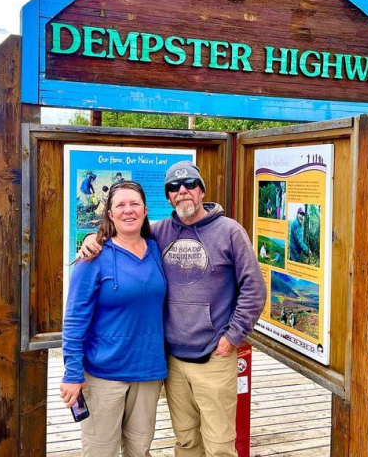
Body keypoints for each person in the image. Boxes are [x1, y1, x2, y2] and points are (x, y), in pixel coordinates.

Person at [79, 161, 267, 457]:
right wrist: (94, 238)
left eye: (190, 184)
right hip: (172, 361)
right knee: (186, 442)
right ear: (167, 197)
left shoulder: (230, 232)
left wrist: (232, 336)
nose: (182, 191)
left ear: (202, 190)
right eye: (173, 188)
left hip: (214, 358)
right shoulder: (159, 233)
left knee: (219, 446)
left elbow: (254, 288)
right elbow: (124, 236)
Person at [61, 181, 168, 457]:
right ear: (110, 214)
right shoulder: (92, 258)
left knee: (139, 450)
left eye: (134, 204)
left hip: (148, 373)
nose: (128, 210)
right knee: (100, 452)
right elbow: (74, 320)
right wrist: (72, 372)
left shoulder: (158, 250)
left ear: (145, 211)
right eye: (120, 205)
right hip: (103, 375)